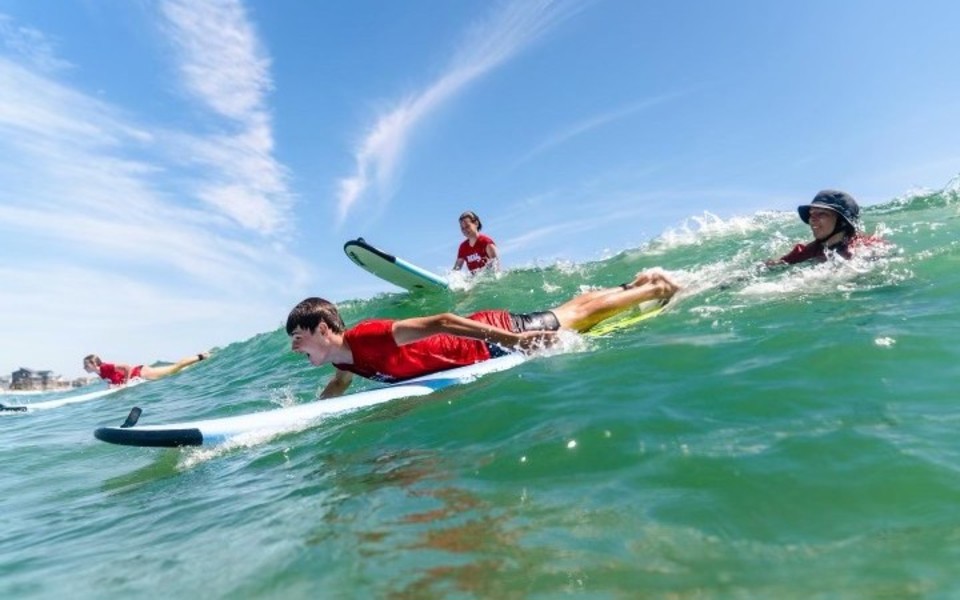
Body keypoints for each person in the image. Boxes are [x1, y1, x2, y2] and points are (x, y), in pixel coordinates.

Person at [287, 270, 678, 398]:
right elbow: (339, 384)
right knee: (569, 311)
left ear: (324, 329)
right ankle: (633, 285)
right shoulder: (343, 360)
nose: (294, 345)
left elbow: (442, 319)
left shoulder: (369, 336)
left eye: (299, 336)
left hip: (491, 338)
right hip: (485, 344)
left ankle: (655, 290)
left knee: (574, 318)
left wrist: (514, 341)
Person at [766, 189, 883, 266]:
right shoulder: (805, 251)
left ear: (842, 222)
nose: (812, 219)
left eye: (822, 214)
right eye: (812, 214)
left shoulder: (867, 246)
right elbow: (775, 265)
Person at [83, 352, 209, 386]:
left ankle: (202, 356)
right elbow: (114, 378)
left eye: (86, 365)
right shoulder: (100, 373)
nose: (84, 368)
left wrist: (127, 383)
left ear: (94, 364)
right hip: (140, 375)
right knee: (175, 368)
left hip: (142, 373)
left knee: (175, 368)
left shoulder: (105, 366)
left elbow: (126, 367)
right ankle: (197, 359)